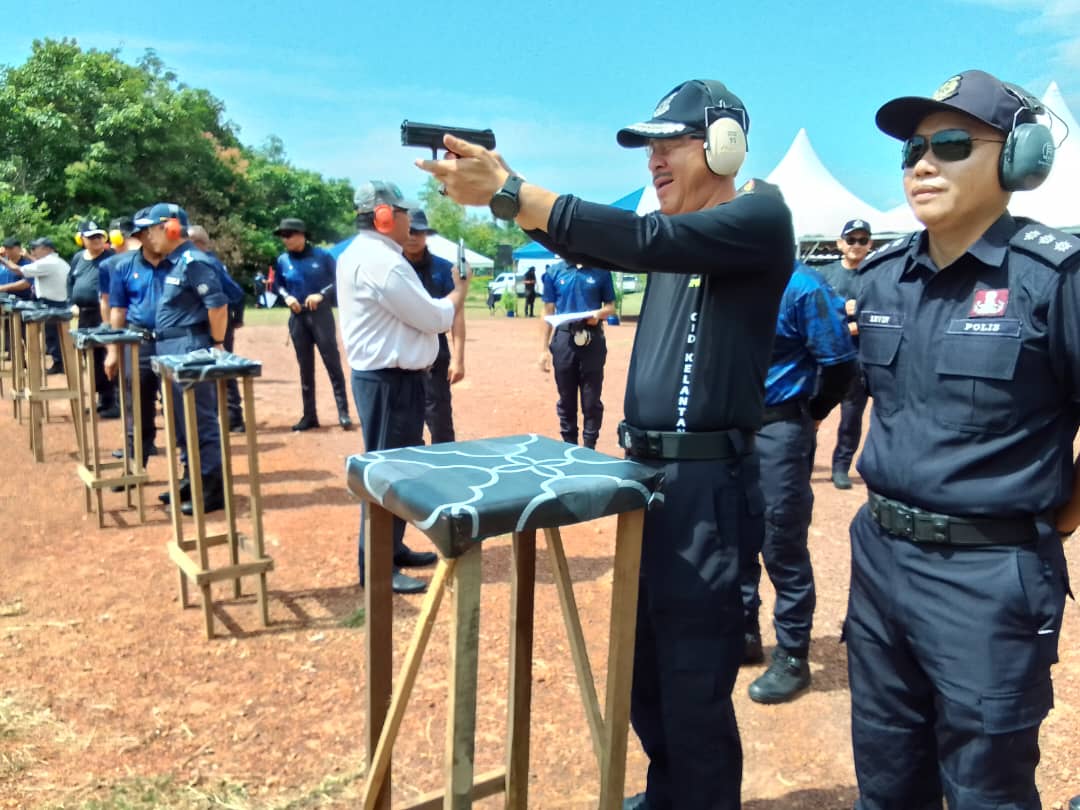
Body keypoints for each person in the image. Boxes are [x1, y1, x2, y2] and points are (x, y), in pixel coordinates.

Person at [420, 78, 794, 810]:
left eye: (670, 144)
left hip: (706, 485)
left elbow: (642, 238)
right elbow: (605, 238)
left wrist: (510, 192)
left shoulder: (760, 216)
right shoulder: (680, 231)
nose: (653, 162)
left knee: (693, 681)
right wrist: (509, 199)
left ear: (725, 144)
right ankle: (667, 794)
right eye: (647, 149)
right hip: (648, 477)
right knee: (642, 666)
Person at [847, 69, 1076, 809]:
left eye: (950, 143)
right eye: (912, 149)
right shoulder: (882, 278)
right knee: (885, 777)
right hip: (880, 560)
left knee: (987, 791)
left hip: (988, 580)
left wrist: (1051, 520)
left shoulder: (1054, 278)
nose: (921, 164)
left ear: (1019, 158)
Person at [736, 180, 856, 705]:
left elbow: (839, 365)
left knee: (780, 540)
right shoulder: (730, 281)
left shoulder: (804, 288)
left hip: (781, 427)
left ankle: (793, 653)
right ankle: (744, 633)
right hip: (730, 429)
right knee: (736, 533)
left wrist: (807, 416)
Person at [336, 181, 469, 595]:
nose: (412, 223)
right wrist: (460, 291)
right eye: (405, 214)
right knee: (385, 476)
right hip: (390, 382)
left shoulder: (368, 255)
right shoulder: (383, 262)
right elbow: (433, 318)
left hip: (390, 381)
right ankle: (376, 564)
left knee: (394, 472)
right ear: (384, 217)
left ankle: (390, 549)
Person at [141, 202, 229, 516]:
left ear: (171, 228)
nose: (149, 238)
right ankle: (191, 479)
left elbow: (217, 306)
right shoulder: (175, 262)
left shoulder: (194, 261)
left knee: (199, 419)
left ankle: (212, 488)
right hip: (170, 347)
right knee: (180, 421)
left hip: (189, 347)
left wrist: (217, 343)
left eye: (152, 230)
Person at [270, 217, 352, 431]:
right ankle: (309, 415)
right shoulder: (282, 260)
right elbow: (278, 285)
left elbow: (338, 281)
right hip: (298, 317)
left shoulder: (322, 256)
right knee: (305, 368)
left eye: (288, 235)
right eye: (282, 236)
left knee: (332, 363)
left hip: (320, 315)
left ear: (301, 235)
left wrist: (321, 295)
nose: (284, 240)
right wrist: (286, 297)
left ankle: (343, 412)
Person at [817, 218, 873, 489]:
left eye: (863, 240)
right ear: (841, 244)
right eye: (851, 240)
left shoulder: (875, 276)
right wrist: (843, 318)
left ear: (869, 244)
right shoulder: (825, 275)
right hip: (825, 357)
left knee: (851, 417)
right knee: (811, 413)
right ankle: (803, 461)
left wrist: (857, 324)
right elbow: (814, 312)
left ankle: (841, 467)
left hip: (859, 359)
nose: (856, 245)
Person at [105, 208, 163, 467]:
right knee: (135, 407)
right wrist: (113, 351)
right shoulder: (124, 266)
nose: (149, 237)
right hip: (138, 342)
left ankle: (190, 478)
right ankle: (133, 467)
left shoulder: (180, 262)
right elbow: (117, 310)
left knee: (182, 410)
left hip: (174, 341)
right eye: (143, 233)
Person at [402, 208, 465, 443]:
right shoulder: (394, 267)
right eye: (408, 231)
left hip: (436, 353)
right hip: (402, 352)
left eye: (418, 231)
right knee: (406, 423)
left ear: (426, 234)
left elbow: (457, 315)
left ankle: (446, 472)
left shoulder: (444, 268)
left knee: (440, 420)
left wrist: (459, 359)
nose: (412, 236)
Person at [537, 260, 615, 448]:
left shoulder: (601, 271)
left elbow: (611, 307)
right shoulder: (554, 272)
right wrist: (543, 349)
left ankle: (589, 448)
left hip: (592, 337)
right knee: (566, 399)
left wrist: (597, 314)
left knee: (591, 400)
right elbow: (548, 311)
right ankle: (569, 447)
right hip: (564, 338)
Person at [188, 225, 247, 433]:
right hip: (217, 319)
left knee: (220, 368)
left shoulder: (207, 263)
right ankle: (229, 417)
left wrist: (235, 318)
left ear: (196, 243)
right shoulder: (210, 261)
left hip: (215, 320)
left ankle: (233, 417)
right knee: (218, 368)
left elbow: (236, 292)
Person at [67, 220, 118, 417]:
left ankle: (114, 401)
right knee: (93, 358)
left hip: (103, 313)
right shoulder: (78, 258)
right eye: (91, 237)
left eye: (99, 236)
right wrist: (71, 301)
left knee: (109, 354)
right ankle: (103, 400)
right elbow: (70, 281)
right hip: (84, 314)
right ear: (82, 240)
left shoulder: (110, 258)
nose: (96, 240)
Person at [2, 237, 70, 374]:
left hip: (52, 302)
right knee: (55, 336)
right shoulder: (56, 261)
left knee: (53, 336)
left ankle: (60, 364)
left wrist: (2, 259)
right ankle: (61, 363)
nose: (32, 251)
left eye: (35, 248)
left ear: (47, 249)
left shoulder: (47, 262)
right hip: (57, 301)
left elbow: (18, 270)